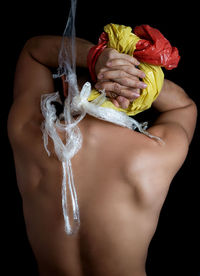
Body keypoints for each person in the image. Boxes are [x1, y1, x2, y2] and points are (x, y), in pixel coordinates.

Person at [8, 35, 197, 276]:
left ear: (66, 83)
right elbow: (184, 106)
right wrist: (136, 78)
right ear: (134, 100)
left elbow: (33, 52)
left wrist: (94, 58)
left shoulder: (30, 136)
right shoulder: (156, 153)